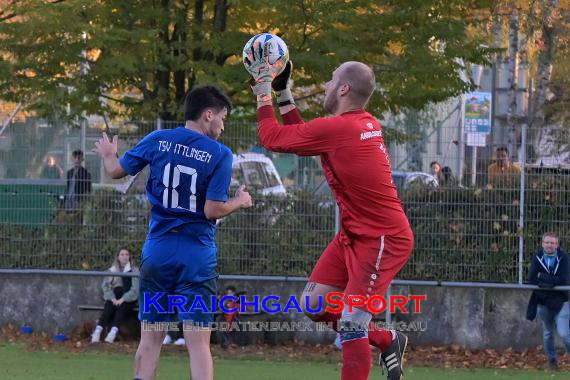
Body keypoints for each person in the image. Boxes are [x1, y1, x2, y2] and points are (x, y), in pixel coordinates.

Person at [247, 54, 413, 380]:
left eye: (331, 79)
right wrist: (282, 93)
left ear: (343, 89)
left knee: (351, 325)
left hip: (382, 239)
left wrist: (263, 90)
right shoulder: (360, 124)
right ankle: (387, 339)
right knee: (314, 305)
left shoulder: (339, 129)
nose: (326, 84)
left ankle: (377, 339)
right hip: (354, 234)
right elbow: (307, 136)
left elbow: (272, 139)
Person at [93, 85, 253, 380]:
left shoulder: (158, 139)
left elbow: (115, 170)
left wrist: (108, 154)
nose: (223, 124)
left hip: (158, 254)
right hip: (196, 257)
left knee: (151, 338)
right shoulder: (219, 154)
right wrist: (240, 202)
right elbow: (212, 210)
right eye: (223, 118)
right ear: (208, 115)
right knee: (198, 344)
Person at [526, 232, 570, 370]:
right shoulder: (537, 257)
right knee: (547, 333)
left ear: (557, 245)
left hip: (561, 301)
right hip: (543, 301)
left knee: (564, 334)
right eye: (547, 242)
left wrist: (543, 277)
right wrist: (550, 282)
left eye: (552, 243)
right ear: (542, 243)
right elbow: (532, 279)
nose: (549, 245)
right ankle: (552, 362)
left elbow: (563, 279)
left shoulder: (563, 258)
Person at [91, 248, 139, 343]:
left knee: (121, 310)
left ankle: (112, 332)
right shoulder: (112, 270)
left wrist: (123, 299)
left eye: (126, 254)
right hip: (114, 297)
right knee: (108, 308)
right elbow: (106, 287)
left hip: (128, 298)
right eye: (122, 254)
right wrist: (112, 298)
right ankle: (97, 331)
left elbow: (135, 289)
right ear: (118, 257)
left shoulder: (134, 270)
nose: (124, 257)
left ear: (129, 257)